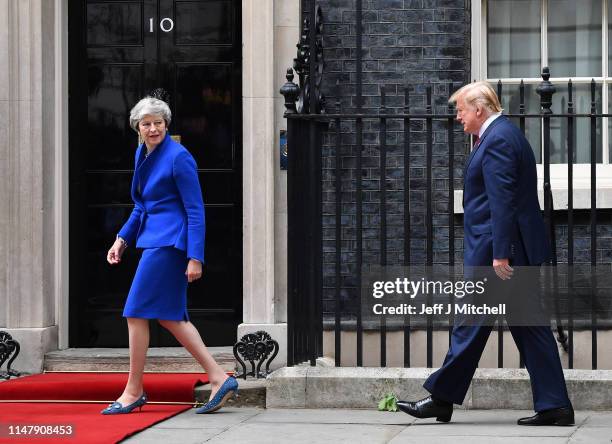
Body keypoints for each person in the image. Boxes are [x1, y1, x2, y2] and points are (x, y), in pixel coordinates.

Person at [397, 82, 574, 426]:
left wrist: (500, 254)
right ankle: (555, 405)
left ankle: (441, 398)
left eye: (461, 110)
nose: (458, 117)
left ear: (479, 109)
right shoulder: (500, 135)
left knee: (470, 322)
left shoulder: (497, 140)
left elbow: (501, 202)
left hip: (501, 253)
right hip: (510, 249)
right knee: (530, 328)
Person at [103, 95, 238, 415]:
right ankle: (219, 377)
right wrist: (121, 239)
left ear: (166, 124)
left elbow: (195, 210)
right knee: (170, 316)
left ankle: (133, 390)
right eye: (147, 124)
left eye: (158, 123)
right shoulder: (142, 153)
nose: (153, 129)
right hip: (153, 240)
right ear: (137, 127)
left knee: (135, 312)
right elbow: (141, 206)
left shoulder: (179, 158)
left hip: (170, 244)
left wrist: (196, 257)